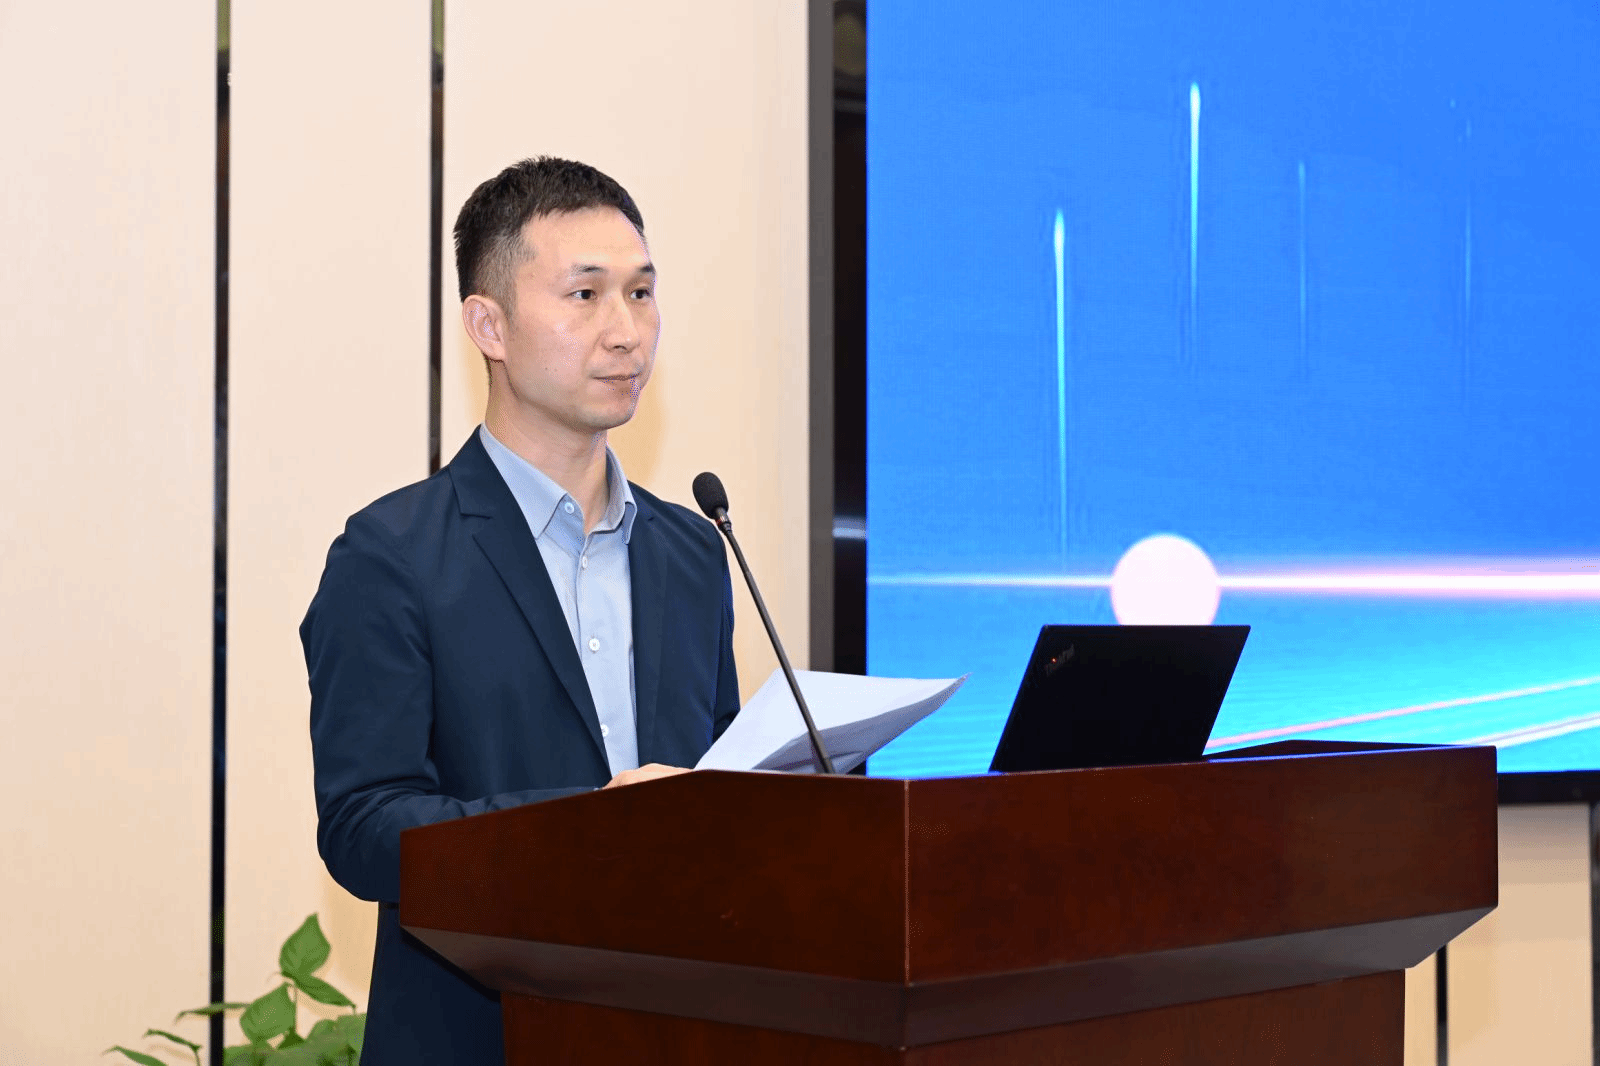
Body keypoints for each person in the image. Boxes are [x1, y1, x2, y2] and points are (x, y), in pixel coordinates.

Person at [300, 157, 740, 1065]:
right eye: (585, 295)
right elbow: (363, 829)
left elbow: (717, 787)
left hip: (676, 1031)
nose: (627, 333)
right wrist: (591, 821)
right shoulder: (391, 556)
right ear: (488, 325)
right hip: (482, 1036)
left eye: (642, 293)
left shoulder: (693, 550)